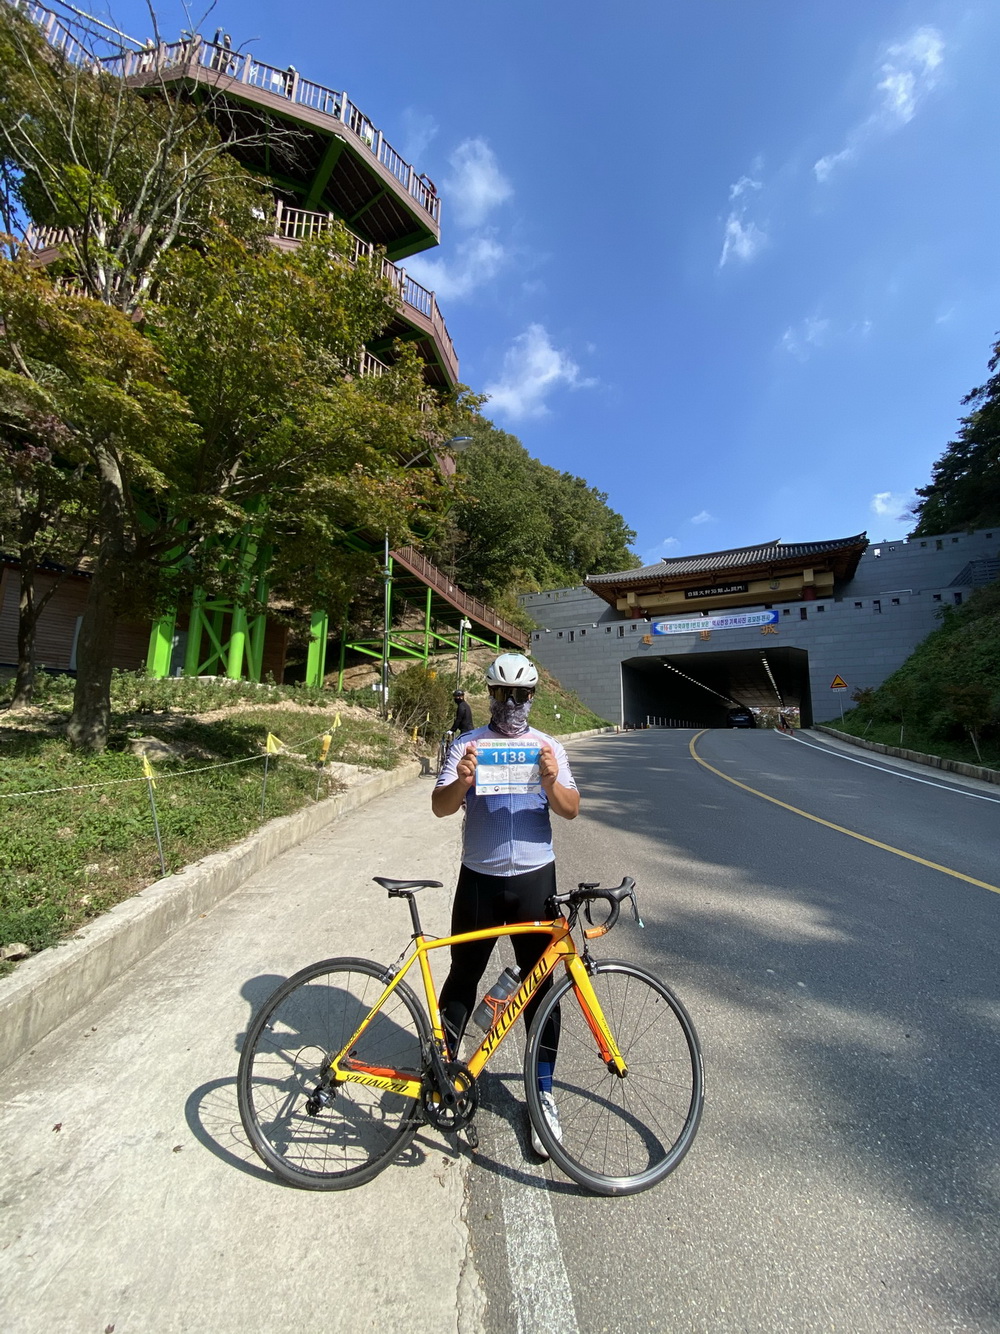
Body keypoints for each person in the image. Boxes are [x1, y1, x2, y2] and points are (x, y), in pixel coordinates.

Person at [432, 652, 579, 1157]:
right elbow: (440, 807)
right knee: (463, 976)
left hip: (535, 880)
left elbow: (571, 809)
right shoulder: (467, 745)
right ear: (489, 694)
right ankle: (443, 1071)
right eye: (501, 693)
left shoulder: (548, 747)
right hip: (479, 878)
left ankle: (542, 1094)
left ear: (532, 696)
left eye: (520, 695)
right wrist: (462, 780)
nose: (511, 702)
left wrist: (551, 780)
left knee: (540, 989)